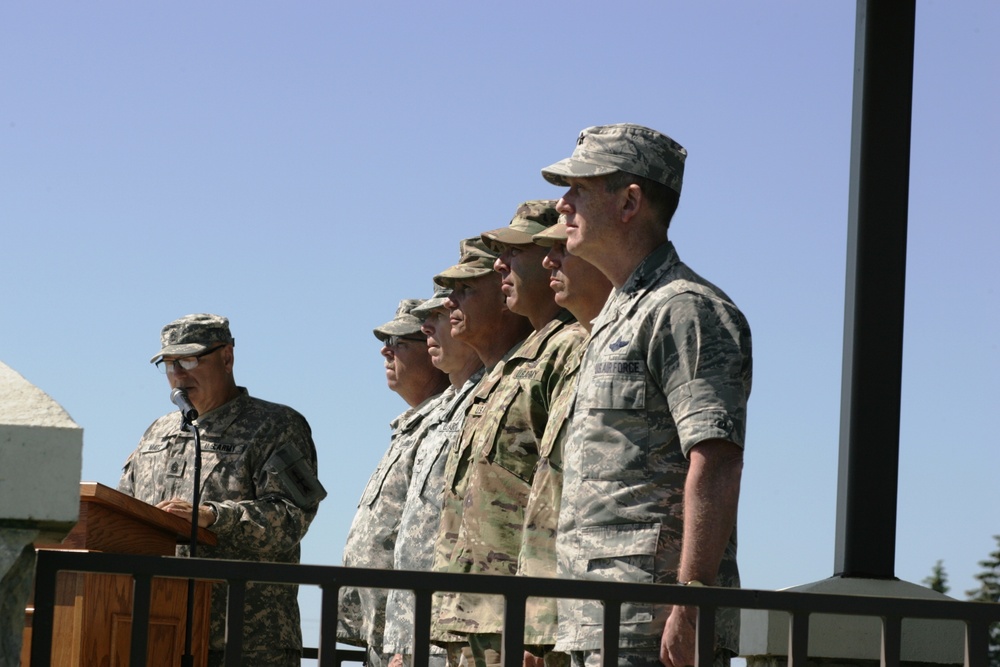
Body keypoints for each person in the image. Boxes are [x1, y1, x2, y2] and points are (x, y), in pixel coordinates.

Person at [540, 124, 753, 667]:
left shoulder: (686, 309)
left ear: (630, 201)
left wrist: (693, 600)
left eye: (579, 188)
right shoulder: (613, 316)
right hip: (595, 618)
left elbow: (717, 458)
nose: (562, 204)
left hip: (653, 625)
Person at [119, 313, 327, 667]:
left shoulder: (275, 425)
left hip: (246, 642)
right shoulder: (157, 432)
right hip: (159, 632)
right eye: (169, 364)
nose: (178, 375)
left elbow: (290, 519)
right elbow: (124, 516)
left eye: (189, 360)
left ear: (227, 357)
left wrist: (214, 517)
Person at [436, 202, 589, 667]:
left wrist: (538, 623)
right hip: (478, 614)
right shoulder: (515, 363)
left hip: (517, 617)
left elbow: (559, 493)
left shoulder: (570, 348)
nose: (502, 264)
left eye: (517, 251)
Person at [426, 235, 533, 667]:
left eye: (466, 289)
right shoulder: (490, 382)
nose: (450, 303)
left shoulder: (545, 362)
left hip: (508, 621)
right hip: (467, 619)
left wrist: (536, 625)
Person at [518, 220, 612, 667]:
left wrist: (691, 594)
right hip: (559, 613)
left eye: (562, 247)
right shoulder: (586, 348)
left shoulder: (675, 315)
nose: (548, 260)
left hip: (615, 613)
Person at [339, 299, 452, 667]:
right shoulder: (409, 425)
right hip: (384, 633)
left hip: (414, 634)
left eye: (400, 342)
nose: (386, 351)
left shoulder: (447, 421)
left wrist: (405, 638)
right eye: (387, 341)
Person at [383, 283, 487, 667]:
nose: (427, 328)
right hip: (410, 629)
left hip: (448, 628)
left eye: (437, 316)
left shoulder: (485, 398)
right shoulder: (441, 410)